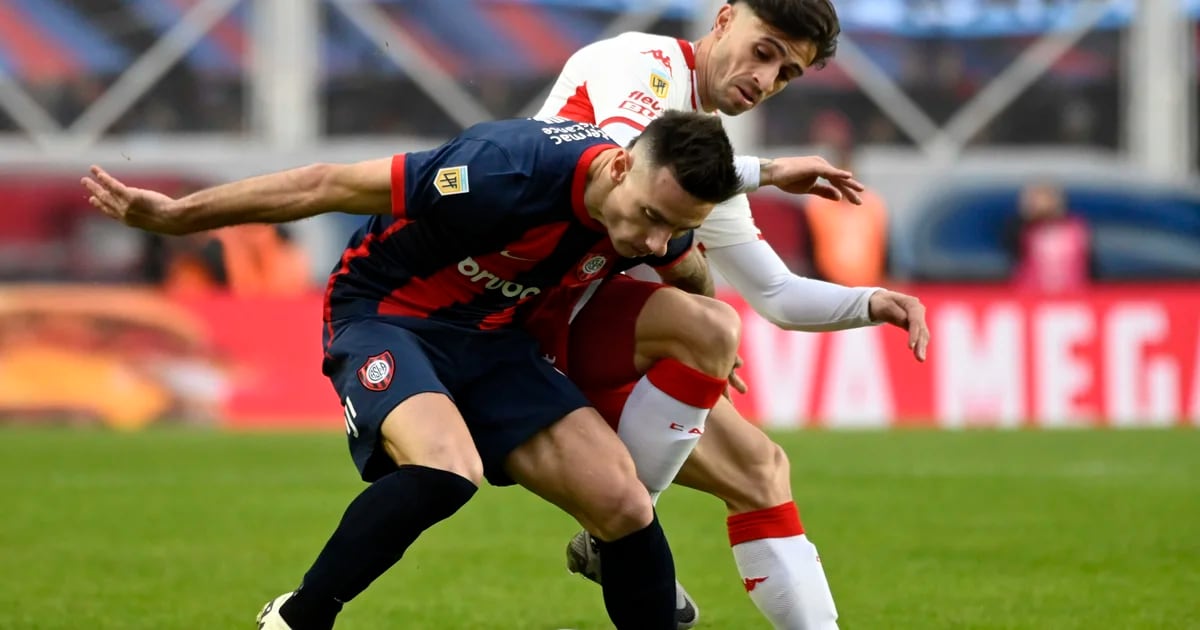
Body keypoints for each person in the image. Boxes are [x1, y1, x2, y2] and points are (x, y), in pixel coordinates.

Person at [81, 112, 744, 630]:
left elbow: (684, 265)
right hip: (386, 316)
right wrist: (174, 216)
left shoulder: (662, 217)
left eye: (674, 226)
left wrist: (710, 326)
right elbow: (326, 183)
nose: (652, 241)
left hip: (497, 342)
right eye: (651, 219)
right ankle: (300, 615)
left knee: (623, 503)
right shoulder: (503, 169)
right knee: (448, 468)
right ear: (622, 166)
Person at [532, 1, 931, 628]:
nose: (765, 79)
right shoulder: (642, 61)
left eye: (785, 74)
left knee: (761, 468)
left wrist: (873, 301)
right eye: (764, 51)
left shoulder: (705, 157)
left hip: (585, 321)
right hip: (525, 316)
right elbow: (631, 165)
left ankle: (612, 538)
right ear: (723, 19)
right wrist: (770, 172)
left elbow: (776, 292)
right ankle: (615, 534)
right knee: (706, 328)